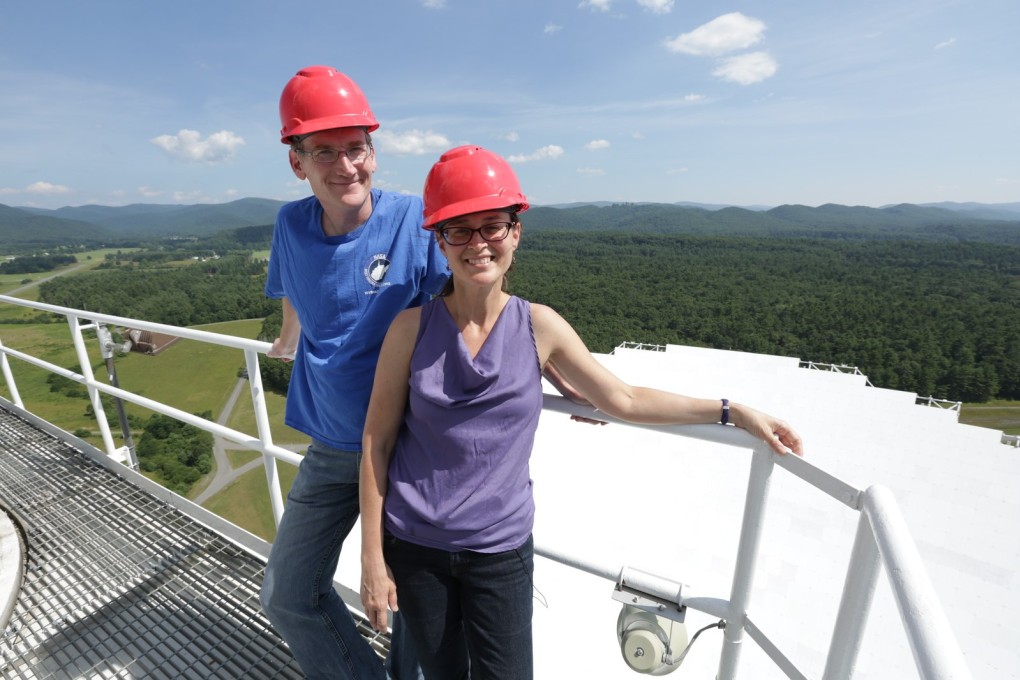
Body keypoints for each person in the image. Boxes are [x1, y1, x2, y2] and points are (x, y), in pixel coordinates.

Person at [359, 145, 804, 679]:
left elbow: (625, 399)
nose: (478, 243)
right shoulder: (410, 330)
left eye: (493, 226)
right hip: (416, 546)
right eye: (459, 230)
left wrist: (732, 412)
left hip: (499, 550)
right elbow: (377, 443)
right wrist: (372, 559)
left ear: (515, 234)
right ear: (440, 241)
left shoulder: (538, 326)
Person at [259, 65, 447, 680]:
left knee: (410, 609)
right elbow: (294, 289)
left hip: (408, 446)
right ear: (297, 163)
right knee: (287, 594)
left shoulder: (415, 221)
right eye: (325, 152)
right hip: (332, 442)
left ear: (373, 151)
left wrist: (550, 367)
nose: (346, 166)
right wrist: (287, 338)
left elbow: (475, 311)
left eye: (356, 148)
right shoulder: (290, 225)